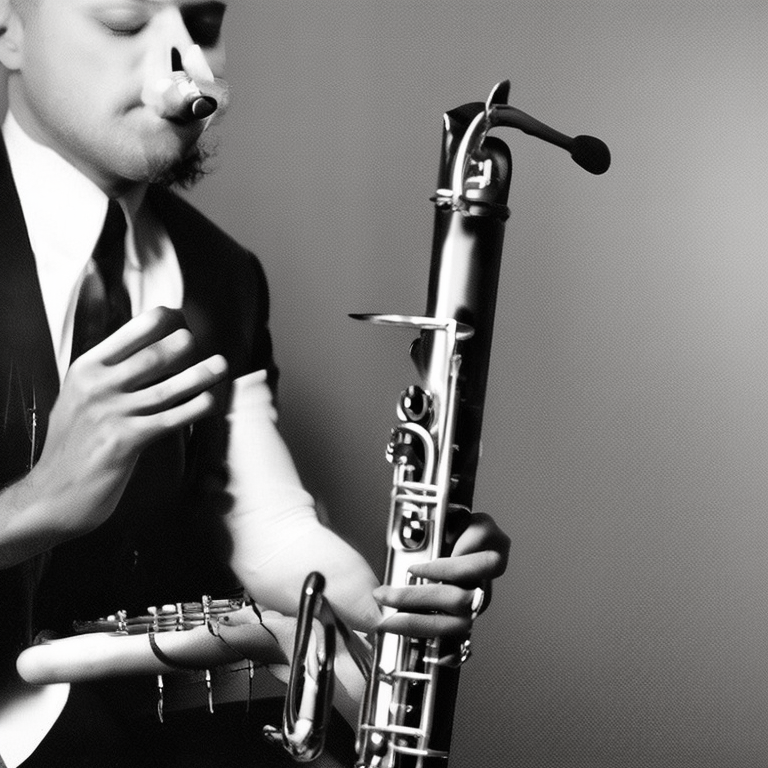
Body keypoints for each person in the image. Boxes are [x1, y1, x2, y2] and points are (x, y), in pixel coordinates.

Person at [0, 1, 510, 766]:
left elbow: (263, 524)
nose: (189, 69)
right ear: (9, 27)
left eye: (203, 25)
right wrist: (38, 504)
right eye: (125, 21)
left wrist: (393, 595)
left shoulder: (225, 274)